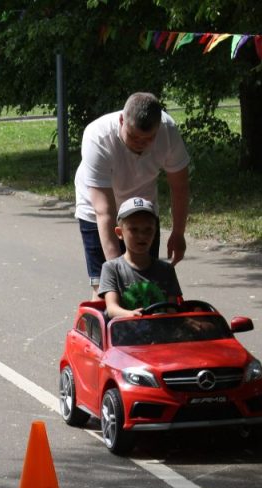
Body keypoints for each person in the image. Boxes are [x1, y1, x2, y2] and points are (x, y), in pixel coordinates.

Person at [74, 92, 191, 300]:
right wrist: (118, 272)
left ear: (158, 129)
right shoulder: (98, 137)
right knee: (106, 290)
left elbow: (180, 187)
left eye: (149, 139)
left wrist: (178, 233)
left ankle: (152, 332)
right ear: (122, 120)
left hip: (142, 212)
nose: (141, 143)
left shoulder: (168, 131)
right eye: (134, 136)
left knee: (148, 287)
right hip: (97, 212)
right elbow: (104, 212)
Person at [98, 198, 182, 319]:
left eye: (148, 229)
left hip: (161, 331)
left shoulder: (166, 270)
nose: (142, 236)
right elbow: (112, 308)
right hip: (126, 331)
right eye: (134, 229)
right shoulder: (112, 268)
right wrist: (130, 314)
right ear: (120, 233)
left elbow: (172, 309)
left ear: (155, 232)